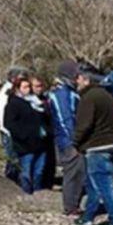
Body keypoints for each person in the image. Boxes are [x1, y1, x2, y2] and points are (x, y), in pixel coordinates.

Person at [73, 67, 113, 225]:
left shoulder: (88, 98)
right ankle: (87, 218)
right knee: (94, 186)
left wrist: (74, 142)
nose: (76, 82)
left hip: (97, 146)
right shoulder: (108, 96)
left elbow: (84, 125)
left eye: (78, 78)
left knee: (104, 186)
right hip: (112, 143)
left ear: (86, 80)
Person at [49, 62, 85, 216]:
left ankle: (74, 204)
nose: (78, 78)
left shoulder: (71, 93)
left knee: (79, 173)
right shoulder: (61, 94)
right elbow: (66, 119)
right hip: (68, 141)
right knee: (72, 174)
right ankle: (70, 206)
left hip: (74, 140)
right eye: (76, 75)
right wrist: (74, 141)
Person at [3, 77, 48, 194]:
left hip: (40, 142)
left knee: (39, 171)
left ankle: (38, 192)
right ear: (18, 89)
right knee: (26, 172)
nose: (28, 89)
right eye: (25, 87)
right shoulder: (13, 104)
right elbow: (9, 123)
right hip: (25, 145)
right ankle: (26, 193)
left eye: (29, 87)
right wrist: (23, 136)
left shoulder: (35, 102)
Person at [0, 67, 29, 182]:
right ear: (14, 78)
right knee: (12, 158)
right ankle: (10, 181)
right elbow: (2, 114)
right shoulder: (6, 93)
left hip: (15, 129)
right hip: (9, 131)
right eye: (22, 77)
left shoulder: (15, 91)